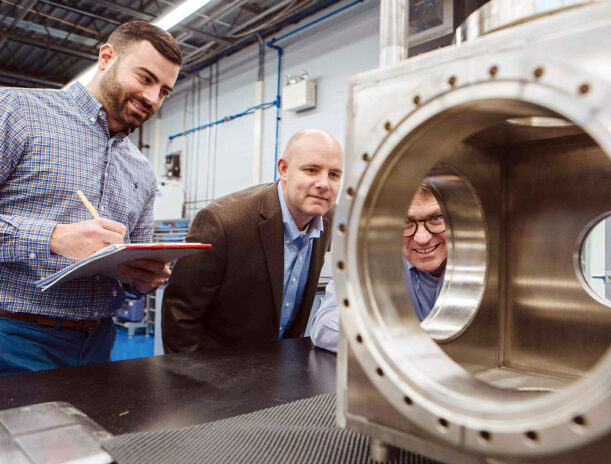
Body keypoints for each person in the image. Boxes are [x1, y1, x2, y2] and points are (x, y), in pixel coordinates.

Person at [0, 21, 182, 375]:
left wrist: (141, 278)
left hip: (98, 343)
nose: (151, 98)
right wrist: (53, 238)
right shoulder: (15, 112)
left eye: (164, 91)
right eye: (145, 78)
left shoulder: (141, 171)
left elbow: (130, 265)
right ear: (106, 57)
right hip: (11, 338)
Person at [162, 129, 343, 352]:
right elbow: (180, 313)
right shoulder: (223, 222)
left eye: (334, 174)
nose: (324, 183)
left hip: (280, 367)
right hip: (218, 369)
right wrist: (193, 381)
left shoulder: (329, 217)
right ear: (284, 169)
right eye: (311, 170)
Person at [310, 184, 446, 352]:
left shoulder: (485, 263)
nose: (422, 238)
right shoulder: (373, 256)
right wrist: (401, 344)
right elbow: (326, 325)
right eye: (406, 221)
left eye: (436, 218)